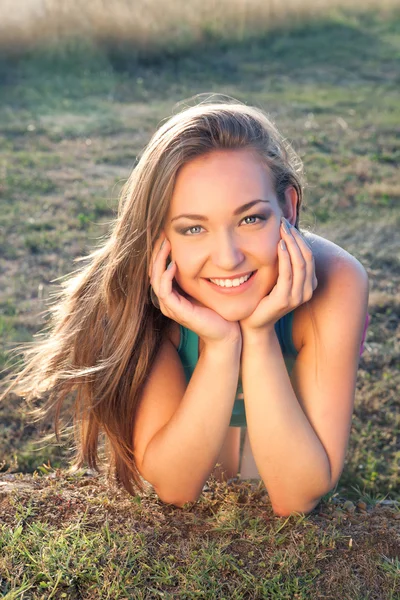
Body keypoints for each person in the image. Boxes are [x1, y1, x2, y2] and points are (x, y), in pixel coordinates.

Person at [0, 98, 369, 517]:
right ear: (160, 236)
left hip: (287, 434)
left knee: (266, 469)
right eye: (194, 228)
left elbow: (295, 496)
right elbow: (176, 487)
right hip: (210, 439)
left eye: (251, 219)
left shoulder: (337, 279)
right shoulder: (144, 295)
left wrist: (260, 334)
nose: (228, 258)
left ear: (288, 207)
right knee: (225, 468)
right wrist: (220, 345)